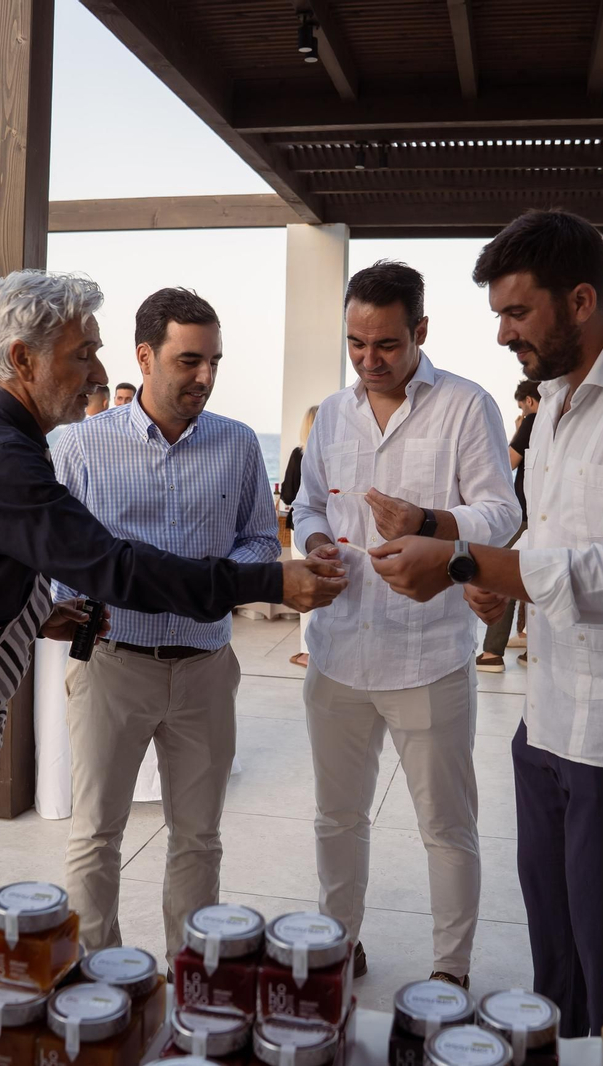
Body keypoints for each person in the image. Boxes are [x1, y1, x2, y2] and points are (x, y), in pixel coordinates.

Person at [0, 270, 346, 924]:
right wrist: (271, 582)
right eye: (82, 353)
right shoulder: (2, 454)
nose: (98, 371)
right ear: (22, 360)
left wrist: (38, 610)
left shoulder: (8, 442)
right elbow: (108, 567)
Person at [368, 210, 603, 1036]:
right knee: (557, 955)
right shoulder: (560, 401)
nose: (501, 334)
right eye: (497, 313)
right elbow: (557, 537)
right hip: (554, 716)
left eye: (517, 312)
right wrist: (484, 568)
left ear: (580, 300)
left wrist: (464, 563)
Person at [294, 260, 519, 988]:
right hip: (338, 651)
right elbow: (307, 505)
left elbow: (502, 513)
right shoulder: (332, 412)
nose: (368, 361)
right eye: (356, 345)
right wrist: (316, 541)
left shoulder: (466, 406)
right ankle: (337, 944)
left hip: (428, 655)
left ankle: (450, 973)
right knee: (336, 818)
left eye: (386, 344)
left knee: (445, 829)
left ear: (421, 331)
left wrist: (429, 523)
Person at [53, 287, 283, 960]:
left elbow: (262, 543)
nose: (205, 377)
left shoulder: (239, 445)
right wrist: (78, 598)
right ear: (145, 356)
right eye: (189, 361)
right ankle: (96, 981)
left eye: (214, 361)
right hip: (113, 665)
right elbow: (55, 557)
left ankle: (193, 979)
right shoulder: (81, 447)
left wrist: (212, 579)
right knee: (96, 833)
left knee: (199, 836)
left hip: (208, 668)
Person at [477, 379, 541, 672]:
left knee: (504, 574)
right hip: (543, 513)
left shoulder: (532, 422)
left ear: (529, 401)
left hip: (523, 514)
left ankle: (492, 653)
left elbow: (506, 464)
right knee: (539, 577)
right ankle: (534, 649)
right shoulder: (559, 423)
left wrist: (519, 428)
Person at [281, 404, 317, 669]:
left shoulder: (300, 455)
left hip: (301, 528)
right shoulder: (330, 455)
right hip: (330, 529)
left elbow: (287, 497)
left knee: (306, 585)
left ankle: (307, 651)